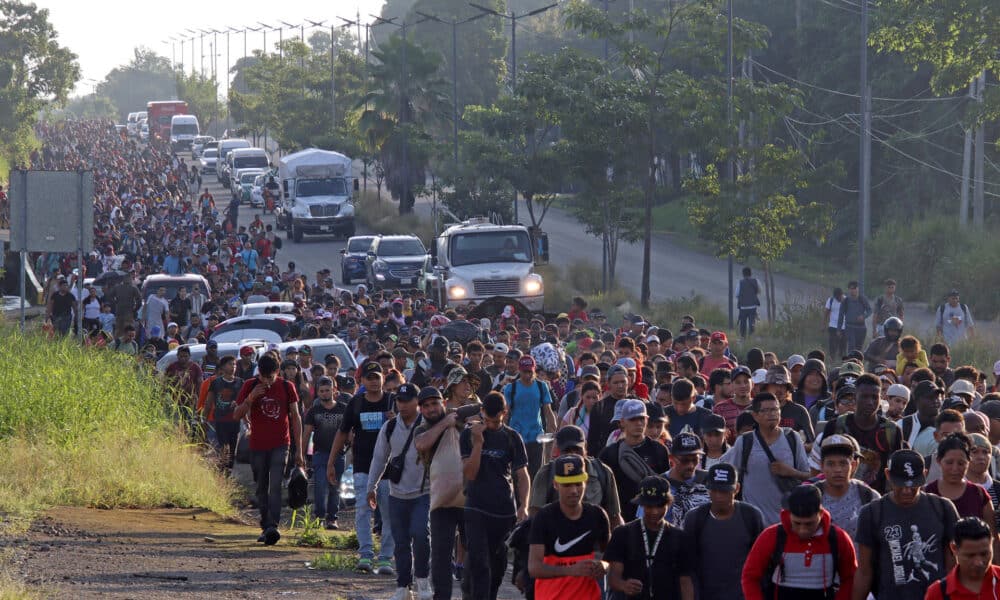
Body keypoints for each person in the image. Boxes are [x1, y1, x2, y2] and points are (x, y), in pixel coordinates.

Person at [853, 449, 960, 600]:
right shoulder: (872, 513)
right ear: (888, 474)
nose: (907, 491)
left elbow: (953, 565)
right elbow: (864, 571)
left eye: (913, 485)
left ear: (924, 474)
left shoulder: (943, 508)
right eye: (900, 485)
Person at [328, 361, 397, 574]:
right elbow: (342, 432)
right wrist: (331, 461)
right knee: (363, 511)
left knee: (389, 514)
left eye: (378, 377)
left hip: (389, 469)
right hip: (362, 466)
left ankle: (385, 557)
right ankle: (366, 554)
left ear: (383, 379)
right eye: (370, 378)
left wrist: (397, 420)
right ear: (362, 381)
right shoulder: (356, 404)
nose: (374, 381)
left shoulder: (393, 402)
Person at [461, 391, 530, 600]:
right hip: (476, 507)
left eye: (495, 421)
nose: (489, 425)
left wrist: (523, 505)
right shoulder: (469, 435)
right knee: (479, 563)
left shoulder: (512, 437)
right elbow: (470, 473)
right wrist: (478, 443)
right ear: (481, 412)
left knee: (498, 568)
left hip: (503, 511)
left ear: (505, 413)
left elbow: (522, 475)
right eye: (486, 420)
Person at [366, 383, 432, 600]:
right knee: (401, 542)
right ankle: (403, 586)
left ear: (417, 402)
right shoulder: (390, 427)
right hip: (396, 494)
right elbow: (379, 458)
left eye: (407, 401)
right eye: (399, 401)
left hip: (424, 492)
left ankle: (422, 581)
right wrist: (371, 487)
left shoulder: (429, 425)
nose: (402, 405)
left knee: (421, 535)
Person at [233, 353, 306, 546]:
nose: (266, 381)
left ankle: (273, 525)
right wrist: (250, 398)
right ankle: (265, 526)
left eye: (270, 377)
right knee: (261, 486)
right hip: (257, 445)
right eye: (263, 377)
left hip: (281, 444)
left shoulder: (286, 386)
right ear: (259, 373)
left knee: (275, 484)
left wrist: (299, 450)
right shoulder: (250, 385)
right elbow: (236, 414)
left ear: (277, 371)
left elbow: (296, 418)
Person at [742, 484, 857, 600]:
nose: (803, 530)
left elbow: (850, 577)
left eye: (809, 524)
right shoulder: (771, 536)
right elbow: (750, 576)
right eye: (797, 523)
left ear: (821, 514)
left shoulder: (838, 538)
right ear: (789, 515)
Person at [527, 454, 611, 600]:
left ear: (586, 482)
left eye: (578, 484)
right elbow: (534, 568)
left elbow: (610, 558)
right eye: (567, 485)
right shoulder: (544, 517)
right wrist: (571, 570)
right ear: (555, 485)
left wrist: (603, 566)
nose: (574, 491)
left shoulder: (597, 515)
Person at [414, 386, 470, 600]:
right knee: (440, 557)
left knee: (475, 553)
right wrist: (445, 424)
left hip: (469, 501)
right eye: (426, 406)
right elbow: (422, 444)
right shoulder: (422, 430)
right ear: (421, 410)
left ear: (443, 403)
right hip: (441, 504)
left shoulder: (460, 420)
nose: (431, 409)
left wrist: (455, 418)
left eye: (434, 403)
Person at [721, 392, 811, 525]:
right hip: (753, 522)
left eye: (775, 409)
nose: (772, 414)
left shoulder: (792, 438)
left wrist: (790, 472)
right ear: (755, 415)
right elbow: (731, 478)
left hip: (787, 521)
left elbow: (809, 476)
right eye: (766, 410)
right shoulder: (745, 441)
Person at [604, 475, 695, 600]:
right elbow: (613, 578)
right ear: (641, 505)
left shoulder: (680, 537)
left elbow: (685, 581)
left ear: (668, 504)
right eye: (649, 506)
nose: (655, 511)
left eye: (659, 506)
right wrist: (624, 586)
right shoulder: (622, 533)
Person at [683, 463, 765, 600]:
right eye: (714, 490)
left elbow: (762, 563)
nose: (719, 496)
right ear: (708, 489)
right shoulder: (695, 518)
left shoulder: (751, 516)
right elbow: (688, 567)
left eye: (724, 491)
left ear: (736, 489)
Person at [815, 373, 903, 494]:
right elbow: (823, 465)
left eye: (874, 397)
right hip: (838, 495)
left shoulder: (891, 431)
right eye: (864, 397)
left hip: (876, 500)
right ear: (855, 397)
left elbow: (896, 472)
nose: (870, 402)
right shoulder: (835, 426)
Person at [529, 424, 622, 526]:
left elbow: (615, 517)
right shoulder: (546, 474)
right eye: (567, 450)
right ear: (558, 450)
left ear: (585, 447)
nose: (573, 454)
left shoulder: (603, 472)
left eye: (577, 449)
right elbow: (535, 518)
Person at [598, 399, 670, 522]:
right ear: (622, 422)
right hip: (621, 519)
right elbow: (603, 491)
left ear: (646, 420)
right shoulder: (609, 454)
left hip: (652, 517)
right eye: (633, 419)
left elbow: (666, 487)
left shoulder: (659, 450)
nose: (638, 423)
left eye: (641, 419)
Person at [814, 434, 878, 539]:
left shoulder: (869, 496)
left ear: (853, 466)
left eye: (843, 463)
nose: (837, 469)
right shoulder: (811, 496)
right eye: (831, 464)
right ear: (822, 466)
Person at [502, 355, 556, 479]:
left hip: (536, 436)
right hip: (516, 436)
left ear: (534, 370)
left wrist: (553, 429)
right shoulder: (511, 388)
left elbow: (548, 410)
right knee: (517, 474)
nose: (527, 375)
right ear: (519, 370)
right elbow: (505, 413)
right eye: (524, 372)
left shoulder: (542, 387)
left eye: (530, 372)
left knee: (536, 474)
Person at [303, 376, 345, 530]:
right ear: (318, 393)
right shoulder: (314, 411)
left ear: (334, 391)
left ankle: (332, 519)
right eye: (321, 391)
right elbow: (306, 434)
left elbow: (350, 432)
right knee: (320, 486)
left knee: (335, 487)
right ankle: (319, 517)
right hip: (320, 454)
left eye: (327, 390)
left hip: (339, 454)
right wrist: (301, 455)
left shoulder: (343, 409)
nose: (325, 393)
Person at [923, 516, 1000, 600]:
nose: (978, 562)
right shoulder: (938, 593)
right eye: (970, 556)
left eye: (984, 554)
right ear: (954, 548)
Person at [925, 432, 995, 524]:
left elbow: (993, 535)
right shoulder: (927, 493)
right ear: (938, 461)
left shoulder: (979, 494)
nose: (955, 469)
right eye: (949, 462)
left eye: (961, 463)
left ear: (968, 462)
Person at [204, 355, 243, 472]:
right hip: (220, 420)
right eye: (230, 364)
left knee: (232, 447)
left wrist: (247, 418)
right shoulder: (216, 383)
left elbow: (246, 401)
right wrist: (204, 419)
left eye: (235, 364)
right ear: (222, 367)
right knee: (223, 446)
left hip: (235, 420)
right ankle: (223, 471)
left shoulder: (241, 382)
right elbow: (208, 402)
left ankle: (228, 469)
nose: (233, 367)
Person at [663, 431, 710, 526]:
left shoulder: (708, 480)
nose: (691, 465)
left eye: (695, 460)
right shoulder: (659, 484)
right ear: (671, 458)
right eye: (685, 460)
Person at [838, 281, 872, 353]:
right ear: (848, 290)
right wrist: (839, 329)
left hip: (861, 327)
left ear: (857, 289)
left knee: (859, 347)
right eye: (851, 289)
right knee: (851, 345)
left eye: (854, 288)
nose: (852, 290)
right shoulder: (846, 301)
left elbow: (869, 310)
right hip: (849, 326)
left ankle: (858, 362)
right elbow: (841, 315)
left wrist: (863, 316)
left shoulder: (862, 299)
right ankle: (850, 361)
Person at [737, 266, 761, 338]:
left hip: (743, 307)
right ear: (751, 273)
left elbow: (736, 294)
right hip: (753, 306)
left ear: (743, 274)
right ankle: (751, 337)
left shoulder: (740, 283)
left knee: (743, 324)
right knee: (752, 323)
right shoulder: (756, 281)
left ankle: (743, 337)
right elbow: (759, 291)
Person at [825, 287, 847, 360]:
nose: (838, 299)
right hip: (833, 326)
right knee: (832, 344)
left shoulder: (847, 300)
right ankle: (832, 357)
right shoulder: (831, 300)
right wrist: (823, 324)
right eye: (837, 297)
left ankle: (841, 358)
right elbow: (826, 312)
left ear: (842, 295)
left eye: (839, 297)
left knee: (843, 344)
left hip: (844, 327)